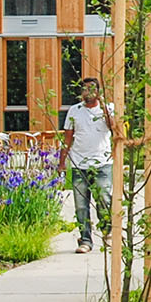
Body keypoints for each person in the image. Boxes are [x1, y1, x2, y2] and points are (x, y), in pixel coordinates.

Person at [58, 77, 118, 253]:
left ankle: (107, 233)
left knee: (104, 199)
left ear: (98, 91)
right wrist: (62, 162)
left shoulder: (107, 108)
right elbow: (67, 138)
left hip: (102, 162)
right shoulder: (74, 111)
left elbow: (113, 128)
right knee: (81, 205)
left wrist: (104, 106)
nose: (88, 92)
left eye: (92, 89)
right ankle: (85, 240)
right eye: (84, 89)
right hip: (79, 163)